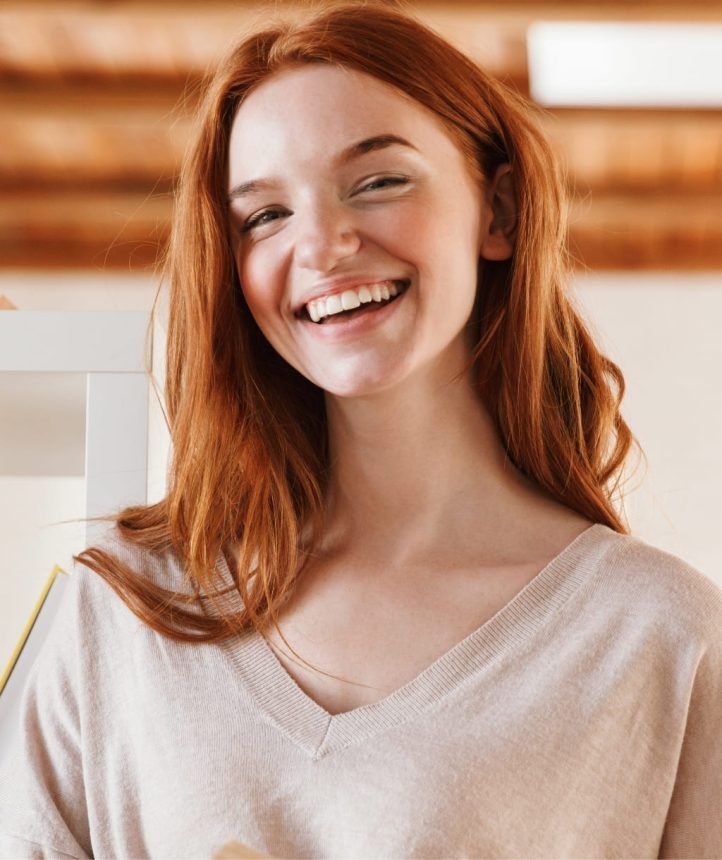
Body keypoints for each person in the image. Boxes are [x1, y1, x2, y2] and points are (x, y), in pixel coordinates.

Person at [1, 3, 720, 858]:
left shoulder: (662, 637)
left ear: (499, 211)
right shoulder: (116, 613)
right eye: (263, 215)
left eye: (378, 181)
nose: (324, 244)